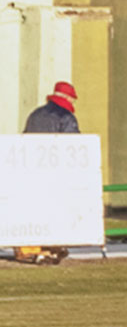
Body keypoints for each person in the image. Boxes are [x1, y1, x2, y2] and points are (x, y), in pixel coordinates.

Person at [15, 82, 80, 265]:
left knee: (35, 210)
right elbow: (72, 145)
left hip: (32, 171)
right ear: (68, 98)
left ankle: (34, 247)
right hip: (56, 174)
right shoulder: (66, 117)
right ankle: (52, 245)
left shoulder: (35, 115)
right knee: (56, 210)